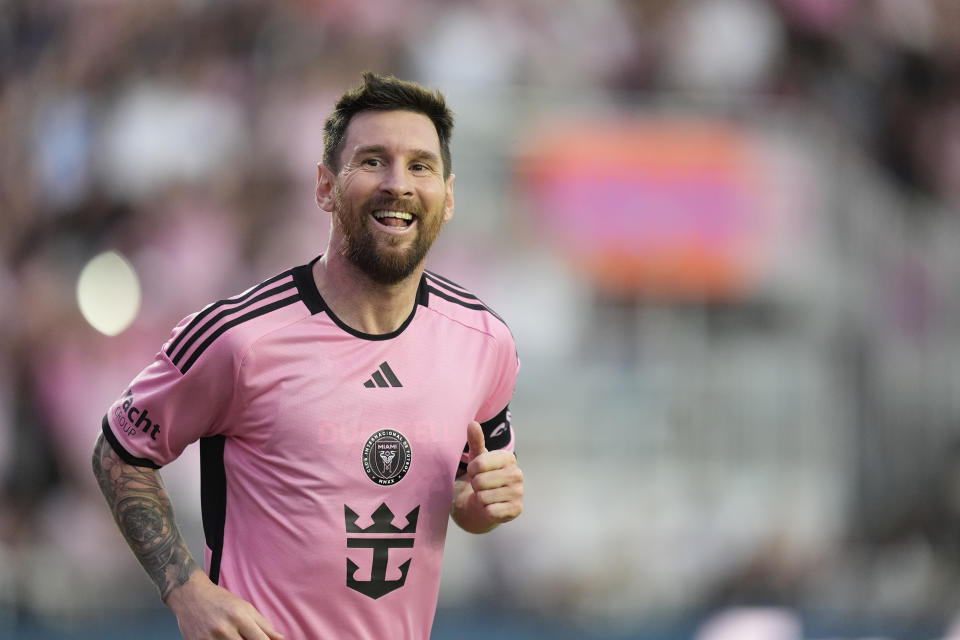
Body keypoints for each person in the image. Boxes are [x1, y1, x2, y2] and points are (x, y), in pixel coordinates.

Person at [91, 71, 524, 639]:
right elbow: (119, 452)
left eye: (421, 165)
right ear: (325, 187)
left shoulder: (485, 342)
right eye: (373, 161)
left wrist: (481, 506)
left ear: (447, 198)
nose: (399, 183)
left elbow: (473, 494)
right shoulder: (239, 338)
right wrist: (187, 591)